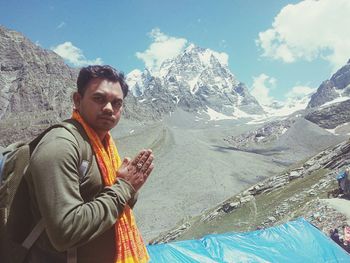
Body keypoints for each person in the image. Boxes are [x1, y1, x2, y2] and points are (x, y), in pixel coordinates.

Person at [25, 65, 154, 262]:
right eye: (99, 99)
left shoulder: (105, 147)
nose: (109, 108)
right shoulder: (61, 145)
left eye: (117, 103)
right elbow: (65, 232)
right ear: (77, 100)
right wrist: (124, 188)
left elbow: (111, 204)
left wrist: (130, 189)